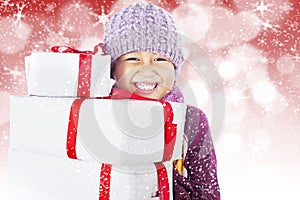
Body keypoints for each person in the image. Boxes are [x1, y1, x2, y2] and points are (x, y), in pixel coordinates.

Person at [103, 2, 220, 199]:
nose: (147, 70)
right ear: (114, 69)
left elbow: (207, 192)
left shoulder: (191, 122)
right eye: (133, 59)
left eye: (159, 60)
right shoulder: (96, 113)